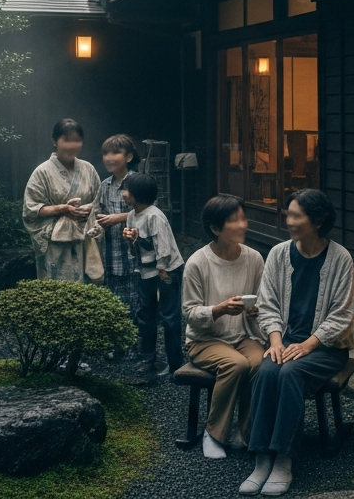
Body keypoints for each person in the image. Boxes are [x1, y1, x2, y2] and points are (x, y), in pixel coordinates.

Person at [240, 189, 354, 497]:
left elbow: (342, 315)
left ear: (317, 221)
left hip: (327, 348)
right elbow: (268, 303)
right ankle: (262, 455)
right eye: (288, 214)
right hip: (286, 341)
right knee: (266, 372)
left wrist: (308, 345)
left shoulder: (341, 258)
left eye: (296, 215)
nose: (288, 220)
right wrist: (275, 340)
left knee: (290, 373)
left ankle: (284, 458)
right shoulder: (279, 253)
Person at [183, 194, 266, 460]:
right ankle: (214, 433)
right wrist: (218, 309)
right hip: (204, 340)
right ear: (215, 228)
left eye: (243, 218)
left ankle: (246, 432)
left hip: (243, 334)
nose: (242, 225)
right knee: (236, 364)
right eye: (234, 221)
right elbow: (189, 313)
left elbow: (265, 302)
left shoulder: (254, 258)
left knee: (261, 363)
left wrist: (256, 311)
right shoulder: (198, 262)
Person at [22, 119, 101, 281]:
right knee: (56, 290)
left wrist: (89, 209)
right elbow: (31, 209)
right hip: (55, 243)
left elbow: (101, 201)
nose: (72, 145)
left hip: (84, 238)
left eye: (77, 140)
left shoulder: (88, 169)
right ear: (54, 142)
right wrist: (63, 209)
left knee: (87, 291)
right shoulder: (42, 172)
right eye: (67, 140)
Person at [123, 172, 185, 375]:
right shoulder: (132, 215)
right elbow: (140, 248)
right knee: (145, 314)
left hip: (165, 271)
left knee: (169, 317)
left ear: (136, 194)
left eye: (126, 190)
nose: (123, 194)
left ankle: (175, 364)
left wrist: (162, 275)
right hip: (146, 271)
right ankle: (147, 359)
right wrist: (132, 239)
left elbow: (164, 249)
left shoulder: (155, 216)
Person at [94, 134, 139, 319]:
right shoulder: (105, 185)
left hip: (133, 255)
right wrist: (99, 221)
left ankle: (137, 347)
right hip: (110, 255)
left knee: (135, 307)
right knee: (113, 306)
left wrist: (117, 218)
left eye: (115, 153)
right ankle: (118, 347)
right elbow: (98, 210)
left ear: (128, 157)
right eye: (106, 153)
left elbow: (152, 214)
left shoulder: (138, 182)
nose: (109, 158)